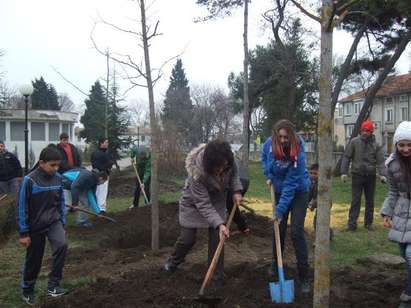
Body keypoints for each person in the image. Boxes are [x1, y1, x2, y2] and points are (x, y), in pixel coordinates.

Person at [163, 140, 243, 288]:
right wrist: (219, 224)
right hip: (194, 203)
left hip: (217, 201)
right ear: (209, 163)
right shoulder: (197, 172)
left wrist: (237, 190)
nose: (221, 171)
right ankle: (173, 261)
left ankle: (216, 278)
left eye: (223, 167)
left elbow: (235, 174)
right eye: (217, 168)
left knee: (217, 240)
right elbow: (203, 204)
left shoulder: (228, 159)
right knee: (187, 239)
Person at [261, 119, 311, 294]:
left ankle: (304, 275)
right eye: (280, 136)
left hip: (298, 191)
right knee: (278, 229)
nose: (283, 140)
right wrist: (268, 175)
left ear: (291, 135)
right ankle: (276, 264)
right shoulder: (268, 144)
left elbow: (291, 184)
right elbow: (264, 159)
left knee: (296, 231)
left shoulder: (298, 152)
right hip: (278, 190)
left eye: (286, 137)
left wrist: (280, 210)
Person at [17, 145, 68, 306]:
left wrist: (62, 221)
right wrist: (24, 233)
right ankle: (28, 290)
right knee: (34, 259)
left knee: (62, 245)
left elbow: (60, 201)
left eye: (58, 165)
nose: (56, 168)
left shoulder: (58, 178)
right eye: (52, 165)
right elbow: (22, 206)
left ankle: (53, 285)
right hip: (35, 226)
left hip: (53, 221)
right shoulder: (29, 180)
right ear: (41, 163)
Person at [380, 121, 411, 304]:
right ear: (396, 145)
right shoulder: (392, 165)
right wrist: (387, 213)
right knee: (403, 253)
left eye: (410, 145)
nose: (406, 149)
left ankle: (408, 295)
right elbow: (392, 191)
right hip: (401, 212)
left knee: (410, 255)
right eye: (402, 145)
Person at [340, 120, 386, 231]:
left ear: (372, 132)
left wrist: (383, 174)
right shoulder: (354, 142)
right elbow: (346, 157)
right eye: (364, 130)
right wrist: (344, 172)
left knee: (370, 201)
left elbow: (380, 161)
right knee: (355, 200)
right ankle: (352, 225)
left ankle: (368, 223)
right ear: (361, 130)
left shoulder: (376, 145)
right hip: (357, 175)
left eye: (368, 131)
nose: (365, 132)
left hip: (370, 176)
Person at [307, 163, 333, 240]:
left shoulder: (321, 183)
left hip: (325, 203)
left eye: (315, 173)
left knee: (319, 222)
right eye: (311, 173)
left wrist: (313, 204)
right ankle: (326, 235)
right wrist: (307, 202)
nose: (312, 175)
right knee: (318, 221)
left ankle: (326, 236)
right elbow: (310, 194)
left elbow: (321, 197)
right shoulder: (312, 182)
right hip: (317, 204)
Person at [226, 157, 250, 234]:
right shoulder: (228, 155)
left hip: (239, 180)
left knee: (230, 204)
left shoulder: (223, 157)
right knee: (231, 204)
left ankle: (243, 227)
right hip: (244, 180)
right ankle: (243, 226)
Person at [91, 138, 113, 212]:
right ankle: (100, 209)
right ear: (101, 143)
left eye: (107, 142)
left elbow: (109, 161)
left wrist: (109, 165)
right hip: (100, 176)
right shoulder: (97, 153)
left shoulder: (106, 152)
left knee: (103, 192)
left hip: (105, 174)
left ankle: (101, 208)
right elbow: (96, 165)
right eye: (106, 142)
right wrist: (107, 166)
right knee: (100, 192)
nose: (107, 144)